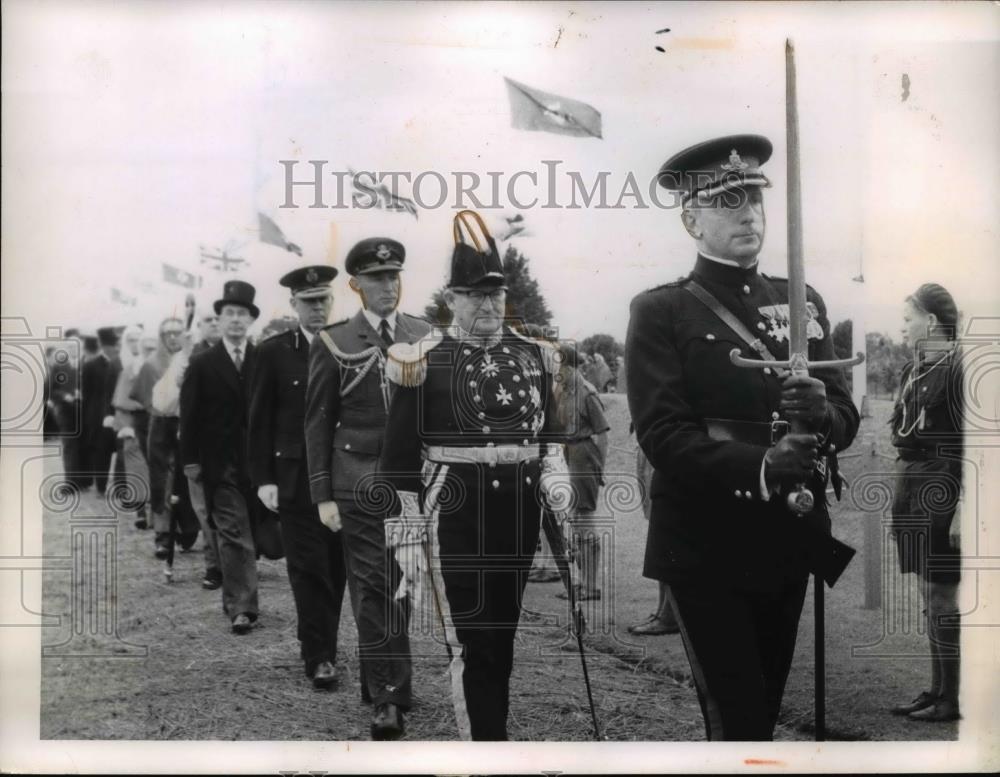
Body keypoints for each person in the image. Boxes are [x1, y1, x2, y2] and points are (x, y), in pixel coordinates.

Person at [626, 135, 860, 741]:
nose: (748, 213)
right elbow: (662, 435)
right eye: (728, 200)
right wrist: (762, 463)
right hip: (706, 543)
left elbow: (845, 417)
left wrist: (823, 413)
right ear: (691, 218)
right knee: (738, 721)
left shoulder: (801, 299)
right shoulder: (663, 311)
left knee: (767, 704)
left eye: (755, 198)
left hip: (787, 533)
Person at [378, 211, 564, 741]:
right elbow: (397, 457)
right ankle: (486, 744)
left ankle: (491, 732)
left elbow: (549, 434)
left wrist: (555, 474)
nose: (488, 305)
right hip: (453, 510)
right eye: (474, 295)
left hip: (519, 509)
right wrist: (407, 531)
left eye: (496, 295)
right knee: (471, 637)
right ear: (452, 299)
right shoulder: (423, 359)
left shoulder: (534, 355)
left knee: (501, 633)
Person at [304, 239, 431, 739]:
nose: (389, 286)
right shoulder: (335, 341)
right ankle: (388, 696)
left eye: (395, 276)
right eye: (378, 278)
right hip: (357, 482)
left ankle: (383, 681)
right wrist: (323, 495)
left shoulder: (423, 333)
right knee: (372, 586)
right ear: (356, 285)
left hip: (412, 486)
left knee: (402, 585)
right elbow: (317, 422)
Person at [249, 264, 347, 690]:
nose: (317, 308)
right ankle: (319, 654)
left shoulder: (349, 345)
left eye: (323, 300)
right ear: (293, 305)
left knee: (338, 568)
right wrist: (263, 479)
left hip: (342, 480)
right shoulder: (272, 353)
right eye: (308, 302)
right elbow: (257, 420)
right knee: (308, 570)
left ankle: (325, 641)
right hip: (293, 481)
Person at [889, 283, 964, 723]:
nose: (903, 327)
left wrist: (966, 510)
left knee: (942, 595)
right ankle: (936, 690)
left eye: (908, 318)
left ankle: (951, 698)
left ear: (931, 322)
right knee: (926, 589)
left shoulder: (960, 369)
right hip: (912, 480)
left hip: (945, 484)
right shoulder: (912, 370)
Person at [180, 281, 260, 634]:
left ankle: (243, 591)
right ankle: (241, 607)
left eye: (242, 314)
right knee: (233, 531)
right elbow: (189, 417)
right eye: (229, 313)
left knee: (256, 531)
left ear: (251, 320)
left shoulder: (263, 359)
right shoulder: (202, 364)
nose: (236, 320)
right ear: (220, 319)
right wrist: (191, 463)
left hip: (259, 463)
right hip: (219, 462)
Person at [552, 342, 610, 602]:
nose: (557, 372)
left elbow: (602, 433)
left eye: (559, 366)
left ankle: (592, 585)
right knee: (574, 522)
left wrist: (599, 467)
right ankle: (583, 583)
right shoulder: (563, 391)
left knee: (585, 521)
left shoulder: (586, 393)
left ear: (569, 365)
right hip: (569, 455)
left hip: (584, 456)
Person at [132, 317, 185, 551]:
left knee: (187, 476)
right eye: (168, 333)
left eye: (177, 332)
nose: (173, 337)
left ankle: (187, 529)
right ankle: (163, 533)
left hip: (189, 424)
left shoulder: (191, 359)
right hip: (162, 425)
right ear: (162, 337)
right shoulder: (151, 364)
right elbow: (145, 398)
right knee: (163, 478)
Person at [627, 439, 679, 636]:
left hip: (666, 452)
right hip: (651, 449)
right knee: (659, 532)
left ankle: (669, 614)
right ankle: (663, 610)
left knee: (667, 536)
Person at [80, 326, 120, 494]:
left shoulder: (120, 363)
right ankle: (101, 487)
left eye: (116, 344)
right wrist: (88, 419)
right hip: (98, 416)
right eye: (111, 345)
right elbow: (86, 395)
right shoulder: (90, 366)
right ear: (103, 346)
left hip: (118, 412)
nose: (115, 348)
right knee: (101, 452)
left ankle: (121, 487)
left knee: (121, 451)